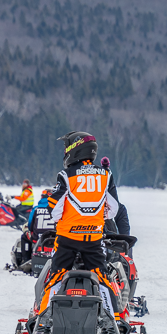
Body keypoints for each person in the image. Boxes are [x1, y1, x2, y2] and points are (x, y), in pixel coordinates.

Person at [38, 131, 123, 318]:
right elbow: (114, 209)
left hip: (67, 238)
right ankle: (114, 319)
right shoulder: (106, 174)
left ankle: (43, 318)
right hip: (93, 238)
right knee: (102, 279)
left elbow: (55, 208)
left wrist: (64, 218)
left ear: (73, 149)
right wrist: (98, 216)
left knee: (55, 278)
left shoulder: (66, 175)